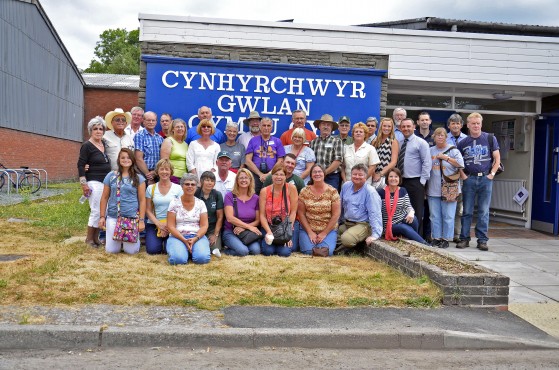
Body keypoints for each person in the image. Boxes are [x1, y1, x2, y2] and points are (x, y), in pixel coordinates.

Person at [456, 112, 501, 251]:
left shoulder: (490, 138)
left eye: (478, 123)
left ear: (481, 124)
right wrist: (463, 176)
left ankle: (482, 240)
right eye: (473, 123)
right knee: (467, 211)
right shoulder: (462, 143)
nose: (476, 126)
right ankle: (464, 239)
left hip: (485, 179)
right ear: (467, 125)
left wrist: (492, 174)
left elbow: (497, 158)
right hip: (470, 179)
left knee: (483, 211)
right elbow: (458, 161)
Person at [99, 148, 146, 254]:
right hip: (114, 217)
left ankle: (127, 242)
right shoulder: (111, 176)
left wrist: (141, 220)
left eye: (128, 157)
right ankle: (117, 241)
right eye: (123, 157)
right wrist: (102, 216)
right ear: (119, 160)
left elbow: (142, 200)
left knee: (131, 251)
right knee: (112, 251)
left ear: (133, 160)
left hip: (131, 218)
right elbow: (104, 197)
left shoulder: (138, 178)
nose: (126, 160)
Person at [426, 128, 464, 249]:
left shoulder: (453, 150)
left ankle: (446, 238)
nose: (440, 137)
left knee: (448, 215)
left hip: (449, 188)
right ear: (434, 137)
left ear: (446, 137)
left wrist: (446, 158)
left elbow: (461, 164)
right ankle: (436, 238)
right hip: (433, 188)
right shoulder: (430, 150)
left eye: (442, 135)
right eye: (437, 135)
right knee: (434, 215)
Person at [78, 116, 112, 247]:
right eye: (95, 129)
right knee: (96, 210)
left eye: (101, 129)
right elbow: (81, 165)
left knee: (104, 210)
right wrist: (84, 184)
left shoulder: (103, 144)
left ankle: (96, 238)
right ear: (90, 130)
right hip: (93, 181)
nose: (98, 131)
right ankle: (89, 239)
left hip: (105, 183)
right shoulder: (87, 146)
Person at [166, 173, 211, 264]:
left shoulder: (201, 203)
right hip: (178, 236)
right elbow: (170, 226)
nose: (190, 186)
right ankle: (183, 251)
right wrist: (184, 240)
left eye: (193, 184)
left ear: (196, 187)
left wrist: (195, 238)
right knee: (178, 260)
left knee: (202, 259)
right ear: (182, 186)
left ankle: (189, 250)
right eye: (187, 184)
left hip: (197, 236)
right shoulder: (174, 202)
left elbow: (204, 226)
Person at [337, 164, 383, 252]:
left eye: (360, 175)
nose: (357, 177)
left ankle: (350, 248)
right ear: (351, 175)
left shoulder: (370, 192)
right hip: (347, 223)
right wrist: (337, 223)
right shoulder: (346, 186)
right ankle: (351, 246)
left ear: (366, 176)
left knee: (346, 239)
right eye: (354, 174)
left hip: (363, 225)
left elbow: (375, 213)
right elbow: (340, 207)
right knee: (332, 234)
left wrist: (375, 235)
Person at [298, 164, 341, 256]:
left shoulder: (333, 191)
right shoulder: (304, 191)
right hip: (308, 228)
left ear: (324, 174)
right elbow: (301, 213)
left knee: (327, 252)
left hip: (327, 229)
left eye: (319, 172)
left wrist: (324, 233)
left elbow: (336, 215)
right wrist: (310, 232)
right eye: (314, 172)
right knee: (309, 251)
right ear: (311, 175)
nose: (317, 174)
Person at [397, 118, 431, 231]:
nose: (406, 128)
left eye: (408, 126)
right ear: (400, 128)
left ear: (414, 127)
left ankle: (417, 237)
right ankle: (405, 234)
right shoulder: (399, 142)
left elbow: (427, 163)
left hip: (415, 181)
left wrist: (422, 182)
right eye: (403, 126)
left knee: (416, 210)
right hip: (401, 182)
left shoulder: (421, 143)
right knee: (402, 210)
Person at [377, 168, 427, 245]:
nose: (393, 179)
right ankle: (425, 244)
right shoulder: (380, 192)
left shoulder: (403, 190)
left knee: (414, 219)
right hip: (389, 224)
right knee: (403, 227)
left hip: (401, 219)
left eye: (396, 176)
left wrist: (411, 212)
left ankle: (414, 240)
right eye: (391, 176)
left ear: (399, 178)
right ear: (387, 179)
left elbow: (408, 206)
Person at [259, 163, 298, 257]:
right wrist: (268, 231)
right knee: (267, 251)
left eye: (281, 175)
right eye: (276, 174)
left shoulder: (291, 188)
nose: (278, 177)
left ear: (286, 176)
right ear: (271, 176)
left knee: (284, 253)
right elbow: (262, 215)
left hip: (286, 225)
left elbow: (293, 212)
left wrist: (288, 233)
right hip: (269, 225)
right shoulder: (264, 191)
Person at [145, 159, 183, 254]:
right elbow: (148, 210)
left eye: (167, 169)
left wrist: (167, 225)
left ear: (171, 171)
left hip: (172, 224)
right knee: (153, 250)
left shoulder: (178, 188)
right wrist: (159, 224)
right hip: (154, 224)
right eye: (162, 169)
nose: (164, 172)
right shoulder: (151, 188)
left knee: (168, 250)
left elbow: (180, 210)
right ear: (157, 171)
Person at [222, 168, 262, 256]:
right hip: (231, 231)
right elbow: (230, 218)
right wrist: (248, 226)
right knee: (243, 252)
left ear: (250, 180)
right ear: (237, 180)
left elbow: (258, 220)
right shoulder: (229, 196)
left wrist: (245, 228)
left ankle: (238, 246)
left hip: (247, 232)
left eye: (246, 178)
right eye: (241, 178)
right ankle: (226, 250)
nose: (244, 180)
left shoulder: (256, 198)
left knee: (256, 251)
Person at [245, 117, 285, 194]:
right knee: (254, 196)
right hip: (255, 175)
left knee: (271, 196)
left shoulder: (277, 141)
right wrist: (260, 174)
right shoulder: (253, 141)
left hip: (272, 175)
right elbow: (248, 160)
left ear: (272, 128)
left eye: (268, 126)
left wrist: (269, 174)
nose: (266, 128)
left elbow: (280, 161)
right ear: (260, 127)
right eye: (264, 125)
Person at [446, 113, 468, 242]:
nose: (455, 126)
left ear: (461, 125)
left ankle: (457, 234)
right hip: (448, 177)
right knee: (449, 204)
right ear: (449, 125)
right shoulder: (444, 138)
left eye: (458, 123)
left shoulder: (467, 139)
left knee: (460, 206)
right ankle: (447, 233)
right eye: (453, 123)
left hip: (462, 177)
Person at [309, 114, 343, 190]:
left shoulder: (337, 141)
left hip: (332, 177)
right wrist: (318, 174)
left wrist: (324, 173)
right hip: (316, 176)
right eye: (323, 124)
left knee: (331, 199)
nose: (326, 126)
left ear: (331, 128)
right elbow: (311, 161)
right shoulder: (313, 142)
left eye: (328, 125)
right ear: (319, 127)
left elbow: (338, 161)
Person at [194, 171, 224, 255]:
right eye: (207, 180)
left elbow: (220, 217)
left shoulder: (217, 195)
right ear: (201, 182)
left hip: (212, 228)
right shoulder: (195, 193)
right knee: (198, 249)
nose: (209, 182)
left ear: (214, 183)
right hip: (198, 227)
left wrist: (215, 234)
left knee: (214, 249)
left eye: (212, 180)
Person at [134, 111, 164, 185]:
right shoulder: (139, 136)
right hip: (143, 174)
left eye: (153, 120)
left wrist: (155, 172)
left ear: (156, 122)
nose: (151, 122)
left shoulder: (160, 138)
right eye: (148, 120)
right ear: (143, 121)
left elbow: (162, 159)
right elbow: (138, 158)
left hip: (157, 174)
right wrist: (149, 175)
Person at [372, 118, 399, 189]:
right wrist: (373, 173)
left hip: (386, 176)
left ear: (392, 128)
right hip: (373, 176)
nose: (386, 128)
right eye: (384, 126)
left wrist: (380, 174)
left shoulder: (393, 141)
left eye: (389, 126)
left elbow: (393, 162)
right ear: (381, 127)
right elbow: (371, 159)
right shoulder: (375, 141)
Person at [160, 118, 188, 183]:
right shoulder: (168, 141)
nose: (180, 129)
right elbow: (164, 161)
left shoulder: (186, 144)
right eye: (177, 127)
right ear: (173, 129)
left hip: (184, 178)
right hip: (173, 177)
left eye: (182, 127)